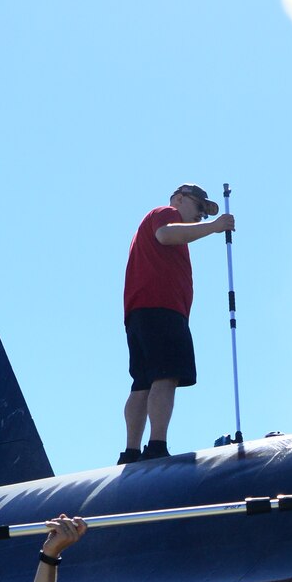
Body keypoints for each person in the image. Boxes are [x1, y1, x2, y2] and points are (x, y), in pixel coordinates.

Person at [119, 182, 234, 463]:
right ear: (181, 199)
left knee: (142, 382)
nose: (201, 216)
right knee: (165, 375)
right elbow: (165, 234)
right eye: (199, 207)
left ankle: (131, 452)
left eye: (205, 214)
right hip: (162, 309)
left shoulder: (167, 228)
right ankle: (156, 445)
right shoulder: (165, 213)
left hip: (142, 312)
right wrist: (214, 227)